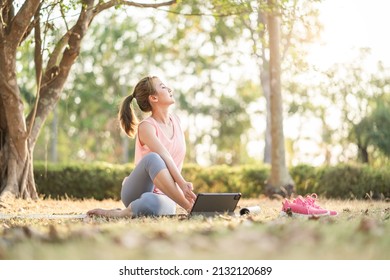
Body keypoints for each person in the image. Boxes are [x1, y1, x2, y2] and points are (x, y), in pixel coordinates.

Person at [87, 76, 196, 218]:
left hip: (166, 194)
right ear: (153, 98)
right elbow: (165, 155)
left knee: (151, 203)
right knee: (153, 158)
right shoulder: (147, 127)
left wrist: (180, 189)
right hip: (136, 190)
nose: (170, 89)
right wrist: (183, 187)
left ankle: (127, 212)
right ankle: (190, 208)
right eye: (163, 87)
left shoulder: (176, 121)